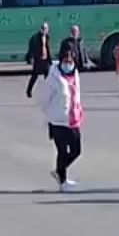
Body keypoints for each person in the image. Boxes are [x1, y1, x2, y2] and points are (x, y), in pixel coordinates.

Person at [34, 45, 85, 192]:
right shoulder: (54, 76)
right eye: (66, 58)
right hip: (58, 120)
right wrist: (50, 114)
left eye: (71, 58)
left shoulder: (75, 73)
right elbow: (43, 99)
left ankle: (59, 171)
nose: (68, 61)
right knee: (62, 151)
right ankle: (63, 182)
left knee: (76, 150)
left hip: (73, 118)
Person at [24, 22, 53, 97]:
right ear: (41, 29)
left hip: (46, 59)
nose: (45, 30)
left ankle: (48, 91)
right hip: (38, 59)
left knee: (48, 76)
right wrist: (31, 57)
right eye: (43, 28)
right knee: (35, 76)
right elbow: (32, 48)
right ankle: (29, 91)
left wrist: (50, 59)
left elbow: (47, 48)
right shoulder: (35, 37)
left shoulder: (47, 37)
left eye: (46, 28)